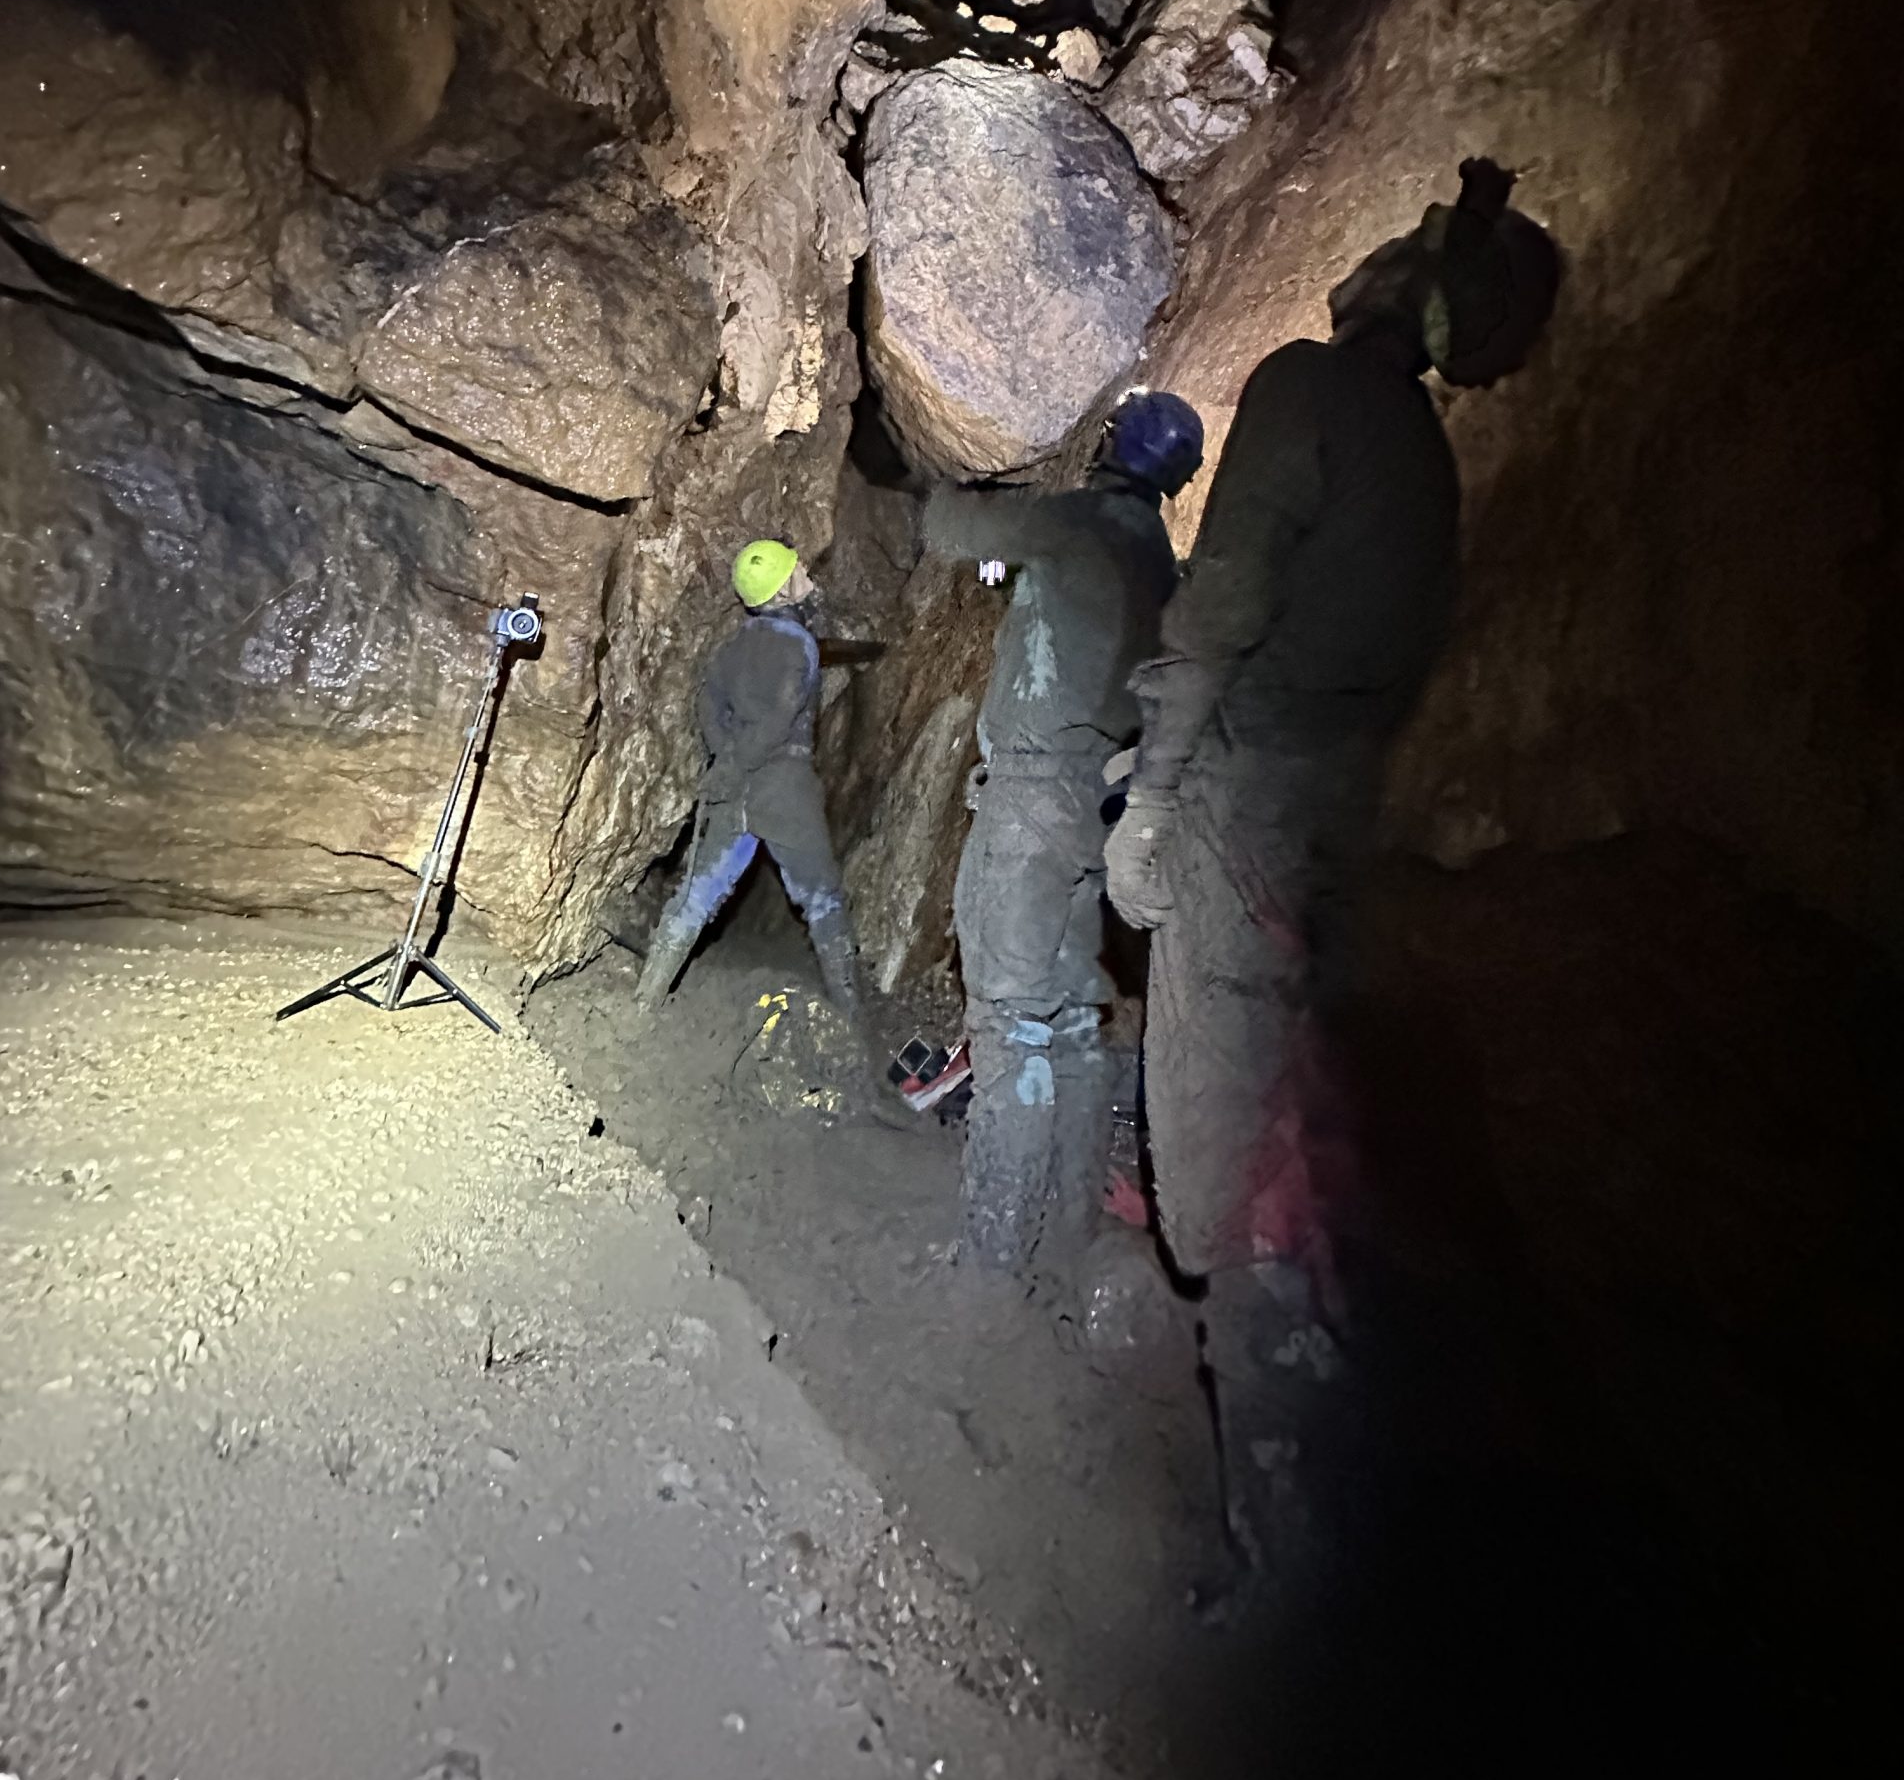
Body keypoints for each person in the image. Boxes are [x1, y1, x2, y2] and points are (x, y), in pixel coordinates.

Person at [1104, 158, 1561, 1585]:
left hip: (1240, 813)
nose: (1364, 255)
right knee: (1295, 1153)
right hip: (1327, 841)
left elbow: (1224, 595)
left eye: (1402, 246)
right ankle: (1330, 1513)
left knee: (1226, 1189)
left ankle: (1282, 1549)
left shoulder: (1310, 388)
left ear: (1420, 295)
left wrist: (1151, 800)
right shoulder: (1427, 469)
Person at [925, 390, 1205, 1277]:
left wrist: (928, 441)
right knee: (1073, 1022)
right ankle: (1069, 1231)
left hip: (1029, 806)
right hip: (1097, 817)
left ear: (1115, 445)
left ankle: (992, 1260)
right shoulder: (1166, 571)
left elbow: (952, 528)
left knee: (1009, 1025)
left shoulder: (1078, 522)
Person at [633, 539, 860, 1015]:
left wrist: (725, 757)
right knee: (821, 899)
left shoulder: (734, 644)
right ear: (782, 590)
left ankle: (643, 1004)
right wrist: (738, 761)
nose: (803, 566)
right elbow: (780, 716)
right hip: (783, 784)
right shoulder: (797, 644)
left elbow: (705, 701)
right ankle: (852, 1013)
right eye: (794, 567)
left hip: (733, 785)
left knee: (696, 895)